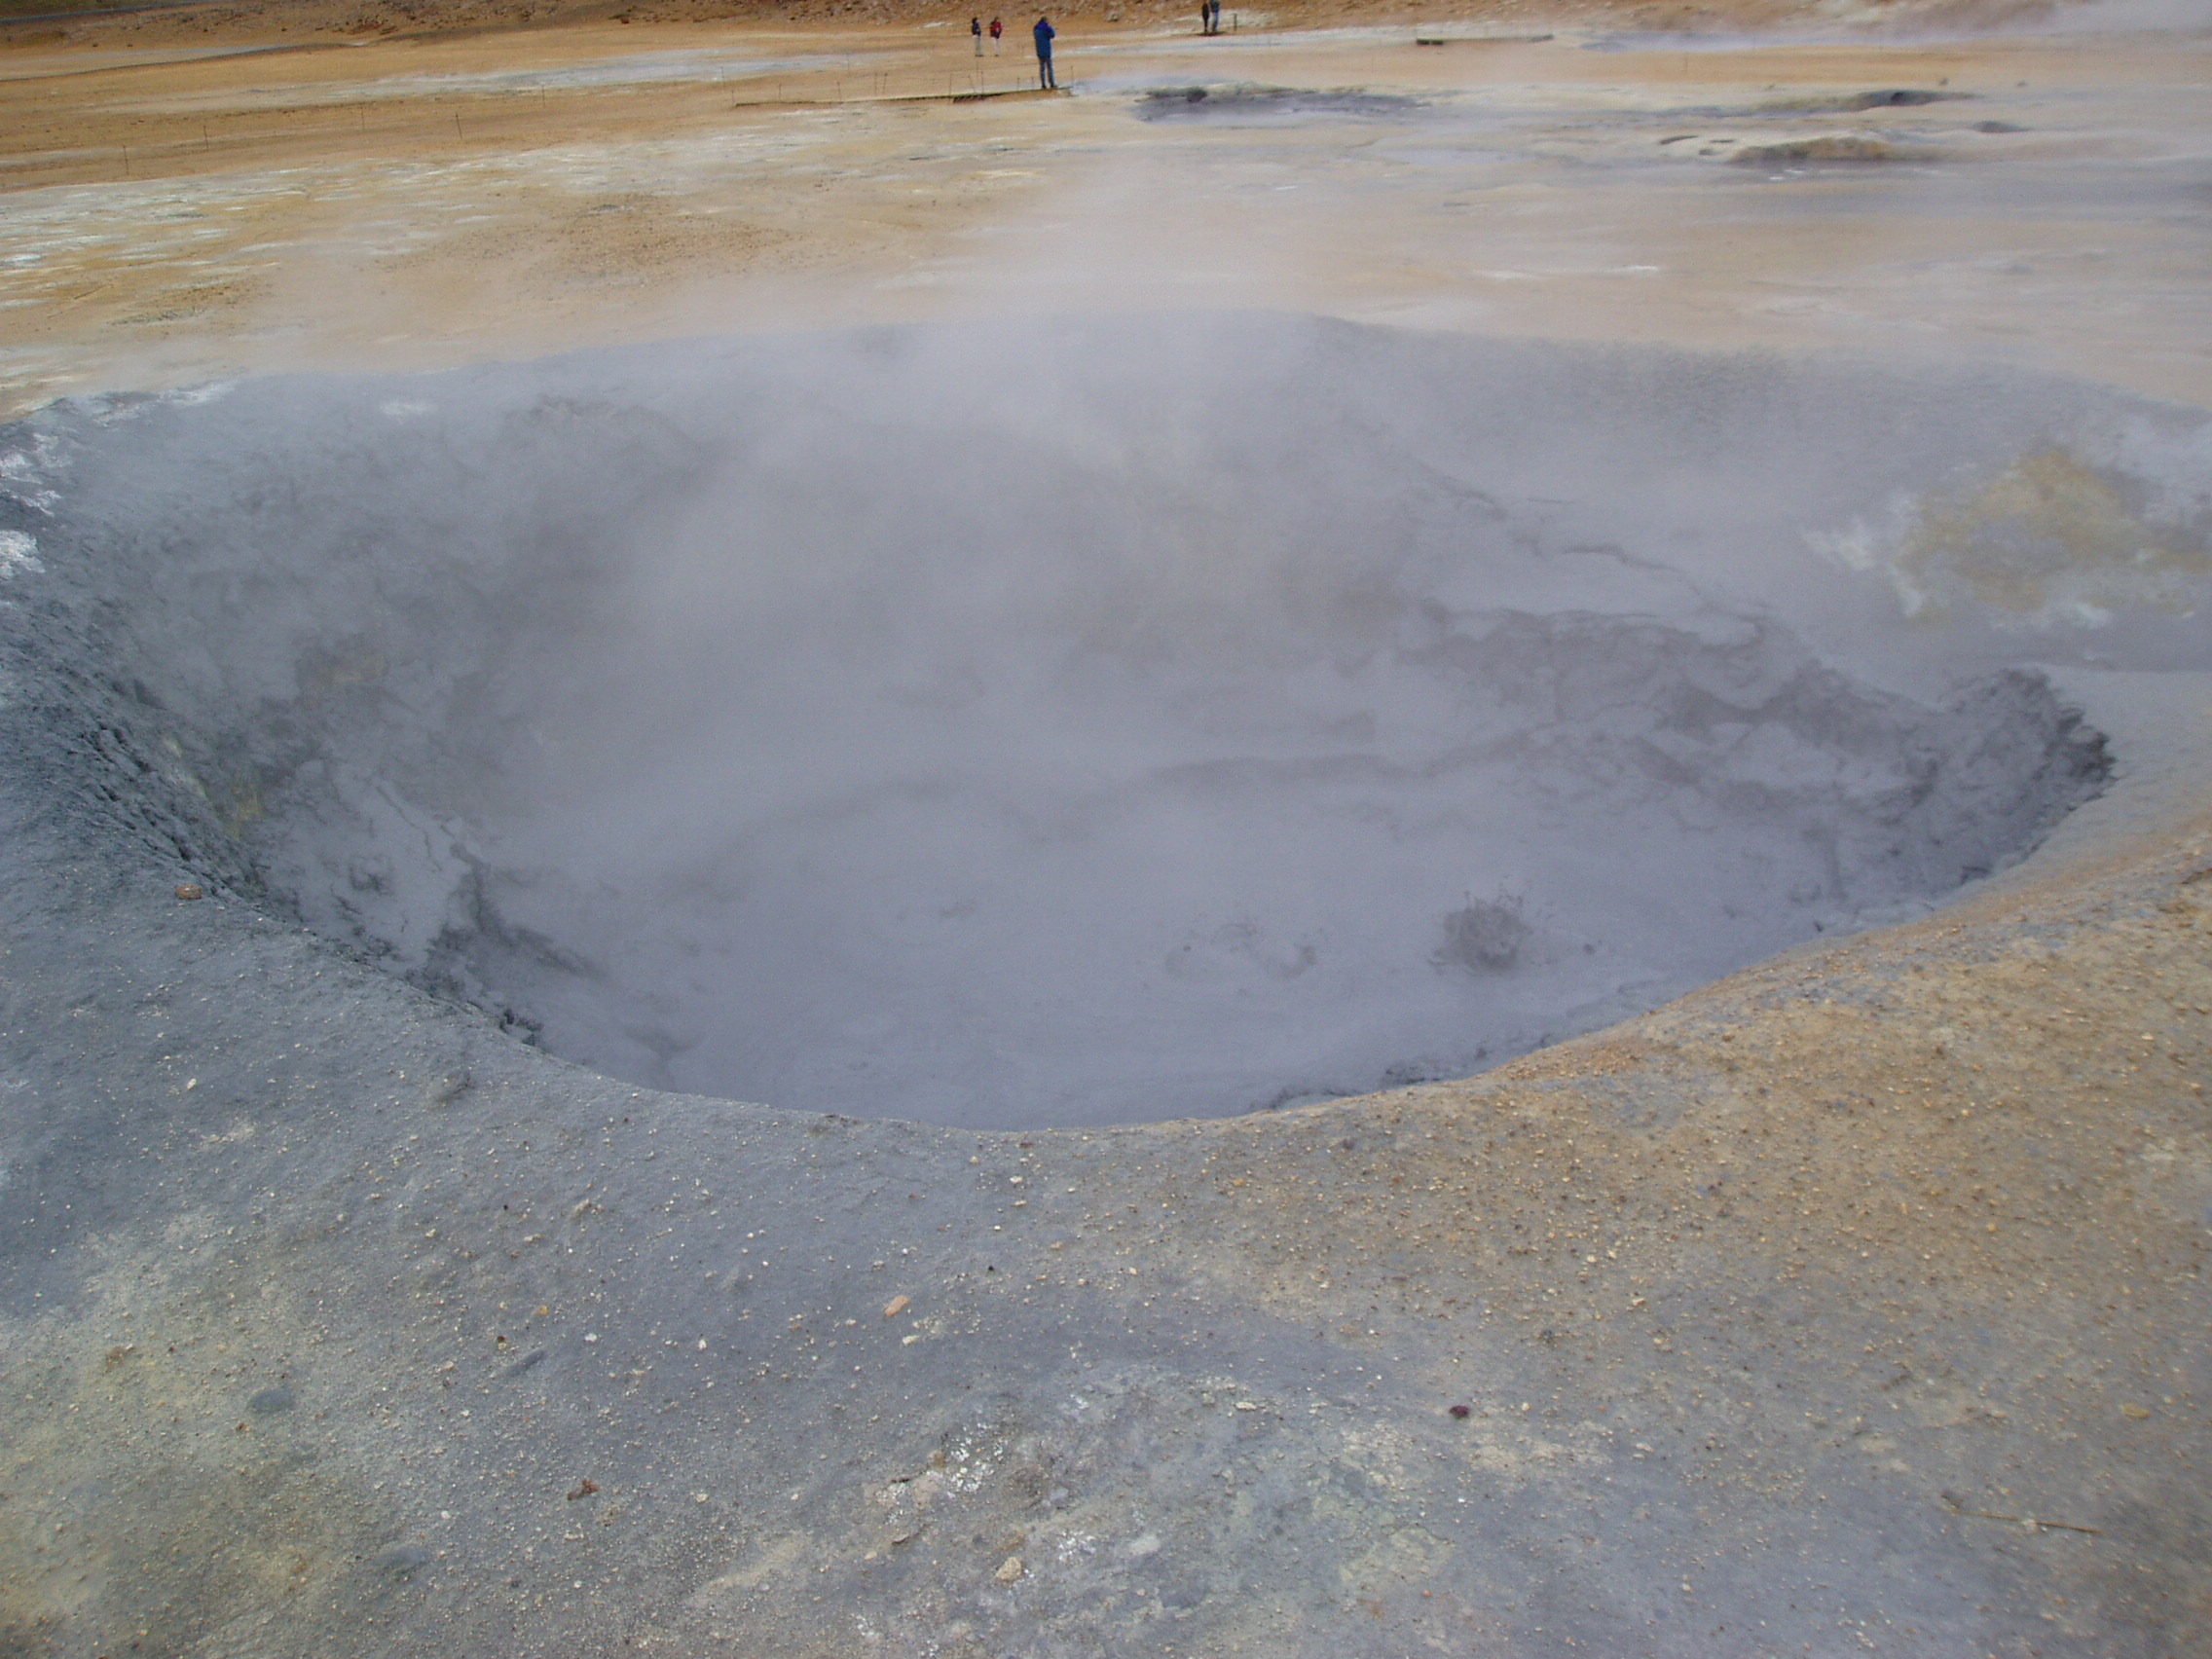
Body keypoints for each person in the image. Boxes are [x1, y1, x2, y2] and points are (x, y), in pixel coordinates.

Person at [1033, 13, 1055, 89]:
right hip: (1047, 49)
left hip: (1039, 50)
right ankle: (1051, 83)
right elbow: (1052, 35)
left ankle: (1043, 84)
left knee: (1042, 68)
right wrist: (1051, 28)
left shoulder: (1036, 28)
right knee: (1049, 67)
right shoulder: (1047, 28)